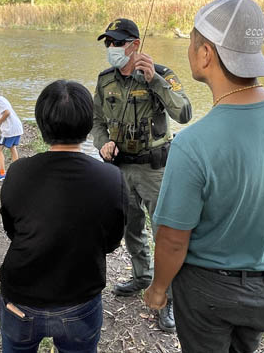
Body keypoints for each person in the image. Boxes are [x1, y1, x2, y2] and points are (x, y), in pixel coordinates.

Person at [143, 0, 264, 353]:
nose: (189, 50)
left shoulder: (193, 143)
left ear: (205, 53)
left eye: (191, 41)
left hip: (208, 291)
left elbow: (173, 239)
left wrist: (158, 290)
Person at [0, 80, 127, 353]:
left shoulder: (18, 171)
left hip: (20, 299)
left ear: (42, 123)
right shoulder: (111, 177)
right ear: (87, 124)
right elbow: (112, 241)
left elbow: (12, 230)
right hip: (80, 300)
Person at [92, 18, 192, 332]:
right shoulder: (105, 80)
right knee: (131, 227)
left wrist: (155, 83)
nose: (111, 48)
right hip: (121, 168)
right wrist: (102, 143)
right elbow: (96, 121)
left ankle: (169, 299)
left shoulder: (162, 74)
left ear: (134, 45)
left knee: (165, 233)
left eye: (117, 42)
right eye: (108, 42)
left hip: (155, 170)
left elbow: (185, 113)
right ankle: (141, 277)